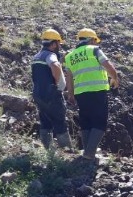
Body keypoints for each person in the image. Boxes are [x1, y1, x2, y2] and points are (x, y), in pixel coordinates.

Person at [64, 28, 120, 160]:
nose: (96, 43)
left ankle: (88, 151)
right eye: (95, 41)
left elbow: (69, 78)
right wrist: (115, 78)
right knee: (99, 122)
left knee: (86, 122)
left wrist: (71, 95)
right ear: (92, 39)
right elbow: (108, 66)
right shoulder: (94, 50)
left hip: (81, 94)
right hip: (97, 91)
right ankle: (89, 153)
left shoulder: (69, 56)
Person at [31, 28, 72, 150]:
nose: (59, 46)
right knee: (59, 121)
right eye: (58, 44)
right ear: (53, 44)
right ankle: (66, 151)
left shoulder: (36, 56)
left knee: (45, 121)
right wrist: (57, 81)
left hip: (38, 93)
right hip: (51, 93)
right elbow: (55, 65)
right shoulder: (50, 55)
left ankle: (48, 149)